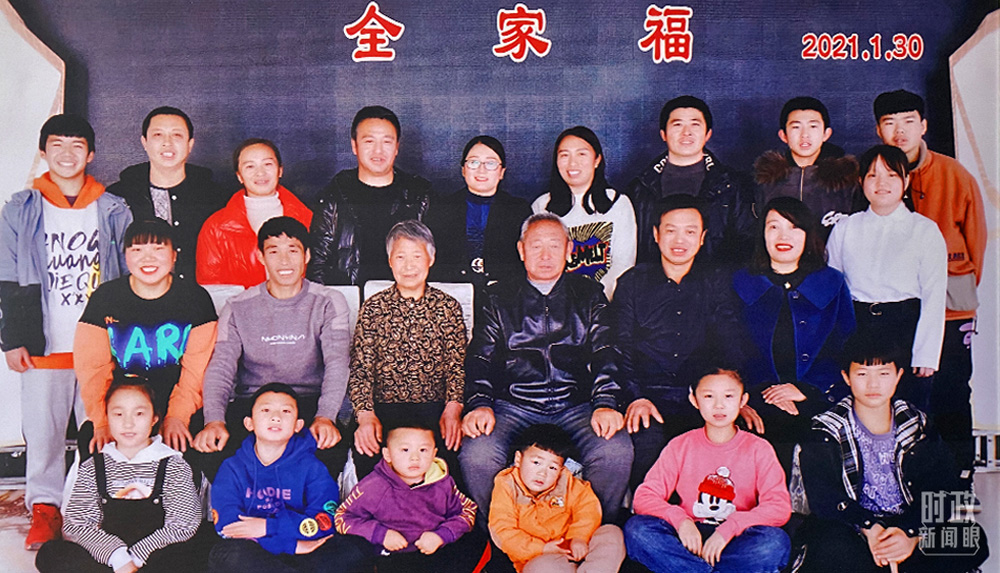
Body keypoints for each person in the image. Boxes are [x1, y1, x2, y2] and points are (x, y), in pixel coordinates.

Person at [0, 114, 132, 550]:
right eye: (57, 144)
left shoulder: (112, 208)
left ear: (91, 154)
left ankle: (96, 508)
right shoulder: (21, 208)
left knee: (103, 429)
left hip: (99, 342)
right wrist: (12, 338)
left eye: (77, 145)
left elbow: (128, 274)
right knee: (44, 434)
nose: (67, 153)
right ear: (43, 151)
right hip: (45, 341)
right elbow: (6, 276)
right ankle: (45, 508)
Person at [459, 213, 632, 524]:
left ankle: (593, 532)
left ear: (569, 250)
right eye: (536, 246)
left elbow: (606, 351)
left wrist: (606, 402)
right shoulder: (497, 296)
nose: (545, 255)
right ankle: (501, 534)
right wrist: (479, 403)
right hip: (514, 404)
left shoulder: (589, 293)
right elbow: (480, 357)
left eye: (554, 245)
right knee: (478, 454)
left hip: (575, 403)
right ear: (521, 250)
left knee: (615, 452)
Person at [796, 335, 989, 573]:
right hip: (855, 528)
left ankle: (894, 562)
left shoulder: (917, 424)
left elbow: (944, 487)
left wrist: (911, 534)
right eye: (862, 374)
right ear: (846, 377)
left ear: (898, 376)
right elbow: (824, 497)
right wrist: (868, 527)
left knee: (971, 538)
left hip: (909, 527)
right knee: (828, 546)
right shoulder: (825, 428)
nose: (873, 385)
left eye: (884, 374)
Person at [874, 89, 988, 485]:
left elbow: (976, 241)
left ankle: (958, 475)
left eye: (909, 121)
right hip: (897, 305)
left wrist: (954, 285)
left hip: (952, 304)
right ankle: (906, 480)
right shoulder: (872, 175)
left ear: (923, 125)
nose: (900, 131)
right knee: (904, 391)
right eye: (890, 123)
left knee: (952, 388)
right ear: (878, 130)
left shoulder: (954, 174)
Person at [191, 216, 351, 480]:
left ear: (307, 255)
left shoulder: (328, 301)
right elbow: (221, 366)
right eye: (274, 252)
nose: (284, 261)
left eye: (293, 251)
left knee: (325, 453)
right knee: (210, 445)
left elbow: (337, 363)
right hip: (253, 402)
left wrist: (325, 416)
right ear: (261, 257)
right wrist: (214, 420)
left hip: (309, 401)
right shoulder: (238, 306)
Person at [614, 195, 745, 491]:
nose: (679, 240)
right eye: (671, 230)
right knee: (647, 445)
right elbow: (620, 347)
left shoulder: (716, 281)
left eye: (690, 231)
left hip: (700, 396)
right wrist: (635, 396)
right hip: (647, 394)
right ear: (656, 234)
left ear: (702, 238)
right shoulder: (631, 282)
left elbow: (730, 342)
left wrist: (732, 396)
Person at [625, 368, 792, 573]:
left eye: (728, 396)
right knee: (637, 530)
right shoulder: (680, 445)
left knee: (774, 543)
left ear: (743, 400)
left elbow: (778, 506)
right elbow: (644, 497)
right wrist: (682, 521)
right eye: (708, 396)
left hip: (737, 538)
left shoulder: (759, 449)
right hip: (688, 539)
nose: (719, 405)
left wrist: (729, 528)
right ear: (694, 400)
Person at [732, 197, 855, 473]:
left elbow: (846, 347)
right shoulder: (741, 281)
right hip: (753, 397)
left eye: (793, 227)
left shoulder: (831, 282)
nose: (783, 236)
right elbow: (732, 348)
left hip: (819, 394)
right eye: (774, 227)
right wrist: (763, 392)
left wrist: (806, 389)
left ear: (808, 234)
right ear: (762, 233)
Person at [75, 219, 217, 456]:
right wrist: (103, 421)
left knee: (184, 447)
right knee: (96, 446)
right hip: (124, 408)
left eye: (158, 249)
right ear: (125, 256)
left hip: (178, 403)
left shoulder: (195, 299)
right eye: (137, 250)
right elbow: (93, 369)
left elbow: (197, 370)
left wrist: (177, 416)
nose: (147, 259)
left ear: (174, 255)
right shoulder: (106, 298)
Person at [35, 381, 208, 573]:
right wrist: (118, 558)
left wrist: (137, 556)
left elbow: (183, 524)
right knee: (51, 554)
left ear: (154, 418)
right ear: (107, 417)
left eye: (139, 414)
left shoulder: (173, 465)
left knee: (195, 552)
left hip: (155, 557)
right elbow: (78, 524)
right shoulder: (93, 466)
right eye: (118, 414)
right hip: (110, 560)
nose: (128, 423)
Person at [826, 145, 947, 410]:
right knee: (857, 405)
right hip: (856, 325)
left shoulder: (924, 230)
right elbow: (832, 289)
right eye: (873, 175)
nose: (881, 183)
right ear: (861, 182)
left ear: (906, 181)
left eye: (891, 175)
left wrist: (926, 355)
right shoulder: (845, 228)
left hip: (904, 327)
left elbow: (934, 295)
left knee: (906, 408)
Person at [348, 220, 466, 478]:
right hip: (384, 408)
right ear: (390, 261)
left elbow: (457, 367)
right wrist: (365, 415)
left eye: (417, 256)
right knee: (369, 452)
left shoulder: (448, 307)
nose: (409, 266)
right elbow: (361, 368)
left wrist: (453, 409)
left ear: (431, 259)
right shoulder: (374, 308)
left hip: (435, 408)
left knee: (449, 454)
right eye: (400, 257)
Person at [209, 383, 368, 573]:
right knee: (227, 554)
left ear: (298, 425)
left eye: (286, 411)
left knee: (351, 551)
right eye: (266, 410)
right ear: (249, 423)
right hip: (257, 550)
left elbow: (324, 519)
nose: (276, 417)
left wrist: (269, 526)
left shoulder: (312, 467)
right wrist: (290, 545)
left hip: (306, 549)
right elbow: (228, 525)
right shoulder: (232, 467)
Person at [334, 420, 485, 573]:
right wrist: (381, 534)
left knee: (474, 543)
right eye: (405, 450)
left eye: (423, 450)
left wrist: (441, 535)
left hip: (435, 548)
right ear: (388, 455)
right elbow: (342, 518)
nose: (415, 458)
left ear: (434, 453)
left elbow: (467, 511)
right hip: (392, 555)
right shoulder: (373, 486)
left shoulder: (442, 481)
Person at [625, 95, 756, 268]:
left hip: (717, 280)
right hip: (653, 281)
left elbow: (746, 243)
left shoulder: (732, 185)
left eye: (695, 124)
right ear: (663, 134)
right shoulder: (640, 187)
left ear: (708, 134)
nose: (686, 132)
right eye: (677, 125)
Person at [309, 105, 433, 286]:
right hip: (349, 298)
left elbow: (435, 260)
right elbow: (318, 263)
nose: (378, 151)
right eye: (369, 141)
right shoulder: (334, 195)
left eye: (387, 142)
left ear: (397, 147)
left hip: (406, 298)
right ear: (354, 145)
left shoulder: (419, 195)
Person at [106, 106, 228, 282]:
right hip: (134, 295)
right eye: (158, 135)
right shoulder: (117, 198)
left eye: (177, 135)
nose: (167, 143)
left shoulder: (216, 197)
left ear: (190, 144)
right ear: (144, 142)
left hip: (200, 294)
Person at [489, 424, 626, 573]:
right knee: (541, 568)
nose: (542, 473)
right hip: (541, 557)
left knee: (611, 533)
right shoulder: (507, 486)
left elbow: (587, 508)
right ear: (518, 459)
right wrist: (542, 548)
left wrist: (579, 537)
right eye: (536, 463)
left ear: (560, 469)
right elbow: (503, 531)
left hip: (578, 546)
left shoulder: (565, 482)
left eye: (552, 468)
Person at [531, 126, 636, 299]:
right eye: (564, 155)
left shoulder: (618, 203)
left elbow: (623, 263)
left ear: (597, 160)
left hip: (607, 303)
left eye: (581, 154)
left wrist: (596, 302)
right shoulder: (542, 206)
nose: (572, 163)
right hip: (558, 305)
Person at [196, 138, 312, 290]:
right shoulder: (216, 227)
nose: (260, 173)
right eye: (250, 166)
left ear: (280, 170)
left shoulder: (308, 218)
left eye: (267, 164)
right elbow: (212, 287)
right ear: (239, 176)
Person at [425, 135, 532, 288]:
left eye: (490, 163)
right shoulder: (442, 208)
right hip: (453, 291)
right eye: (473, 162)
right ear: (463, 170)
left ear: (502, 172)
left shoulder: (518, 209)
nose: (481, 170)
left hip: (506, 294)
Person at [753, 96, 860, 238]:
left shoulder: (848, 179)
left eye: (813, 126)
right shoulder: (765, 181)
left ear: (826, 134)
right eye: (796, 127)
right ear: (783, 135)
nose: (805, 135)